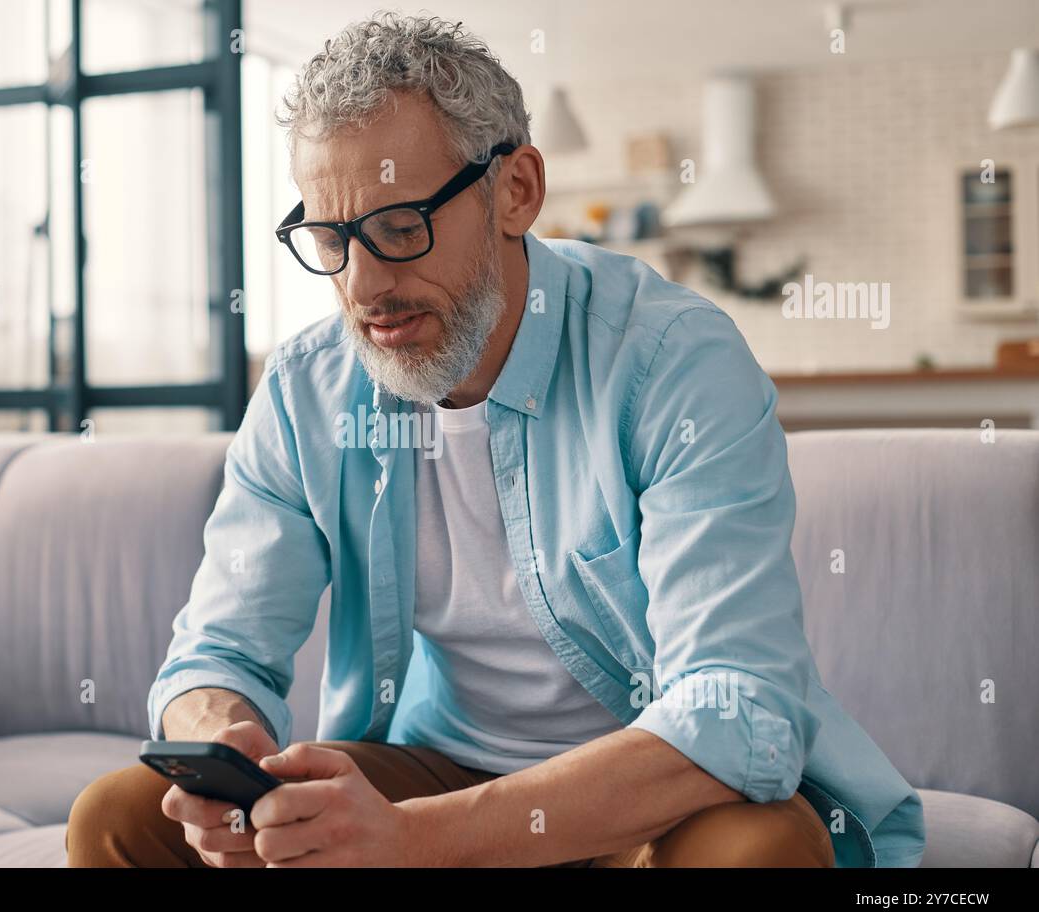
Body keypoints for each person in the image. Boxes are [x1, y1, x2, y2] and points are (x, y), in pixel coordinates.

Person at [67, 11, 924, 868]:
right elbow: (215, 652)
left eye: (401, 228)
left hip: (645, 801)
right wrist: (228, 754)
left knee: (753, 855)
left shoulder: (672, 360)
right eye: (330, 241)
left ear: (515, 190)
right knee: (120, 816)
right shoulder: (308, 391)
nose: (364, 286)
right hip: (440, 768)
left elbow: (736, 702)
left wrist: (412, 839)